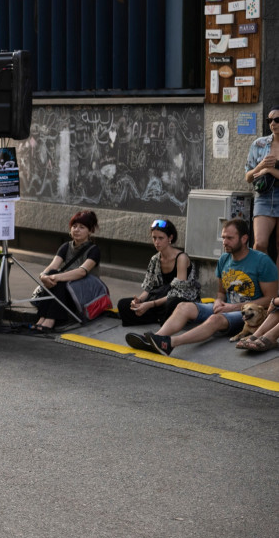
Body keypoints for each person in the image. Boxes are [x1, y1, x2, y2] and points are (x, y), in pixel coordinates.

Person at [125, 219, 278, 356]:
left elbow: (270, 301)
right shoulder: (224, 259)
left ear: (244, 239)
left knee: (215, 319)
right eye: (223, 237)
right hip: (226, 308)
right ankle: (154, 338)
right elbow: (220, 292)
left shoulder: (261, 261)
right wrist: (218, 301)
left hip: (247, 314)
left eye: (230, 238)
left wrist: (233, 307)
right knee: (184, 306)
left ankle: (169, 343)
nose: (224, 242)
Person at [116, 219, 199, 326]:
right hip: (158, 299)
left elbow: (179, 292)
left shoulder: (181, 258)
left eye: (161, 238)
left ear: (170, 238)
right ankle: (159, 318)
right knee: (123, 304)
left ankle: (161, 318)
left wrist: (150, 304)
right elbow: (149, 288)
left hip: (178, 299)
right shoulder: (155, 259)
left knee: (173, 303)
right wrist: (139, 301)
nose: (157, 242)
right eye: (154, 238)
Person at [30, 210, 102, 332]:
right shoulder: (65, 247)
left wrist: (55, 277)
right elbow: (52, 266)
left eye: (82, 227)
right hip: (66, 290)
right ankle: (42, 318)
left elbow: (82, 272)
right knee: (53, 274)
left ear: (90, 231)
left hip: (85, 293)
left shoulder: (94, 250)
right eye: (74, 226)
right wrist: (43, 276)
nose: (76, 230)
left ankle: (51, 319)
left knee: (59, 279)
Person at [245, 104, 279, 267]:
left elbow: (270, 171)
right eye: (270, 120)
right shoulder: (259, 144)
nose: (273, 123)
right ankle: (266, 281)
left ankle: (277, 289)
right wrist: (261, 167)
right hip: (263, 197)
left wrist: (271, 170)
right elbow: (248, 177)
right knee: (259, 244)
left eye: (277, 120)